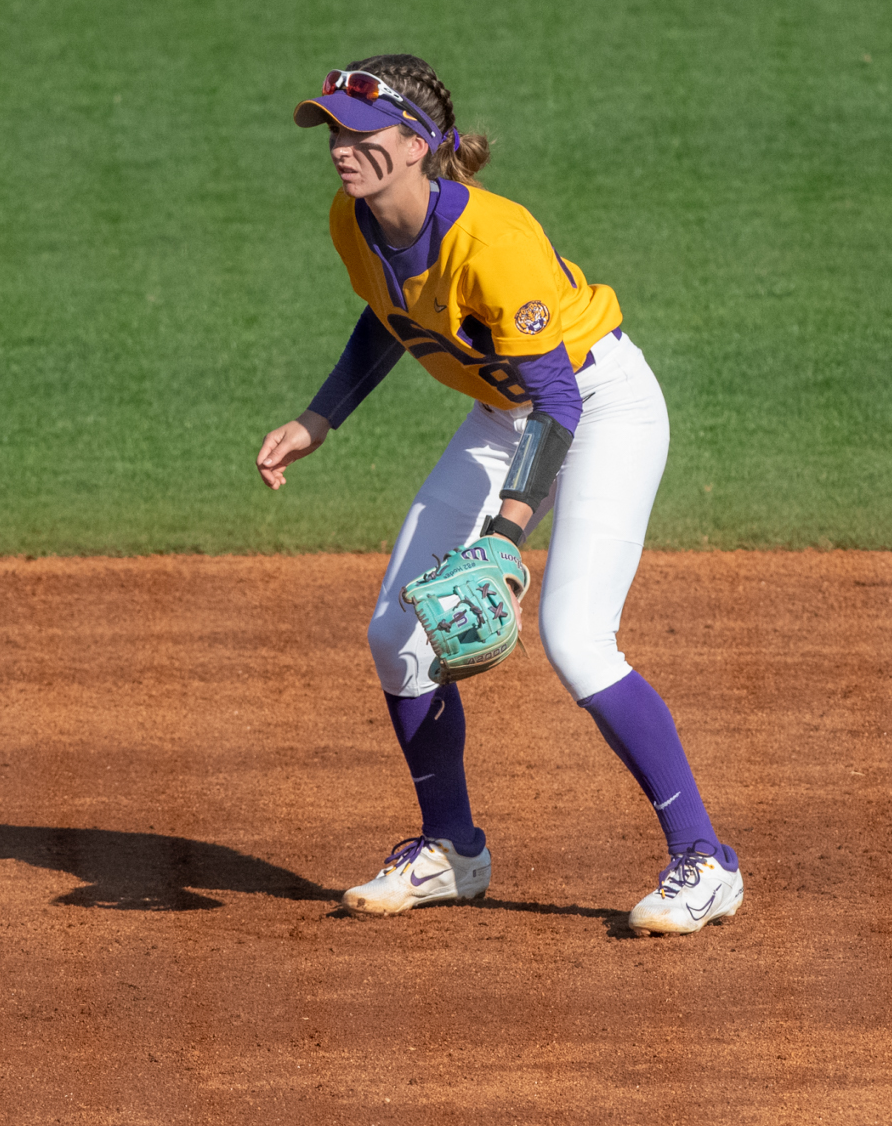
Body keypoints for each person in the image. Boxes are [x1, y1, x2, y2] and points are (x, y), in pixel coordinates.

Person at [255, 55, 741, 936]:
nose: (340, 148)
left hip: (597, 407)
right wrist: (318, 418)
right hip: (503, 411)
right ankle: (451, 850)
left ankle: (705, 862)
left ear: (418, 145)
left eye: (361, 134)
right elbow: (391, 314)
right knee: (397, 631)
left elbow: (558, 402)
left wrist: (505, 534)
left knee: (575, 636)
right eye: (333, 130)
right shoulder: (355, 219)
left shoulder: (496, 242)